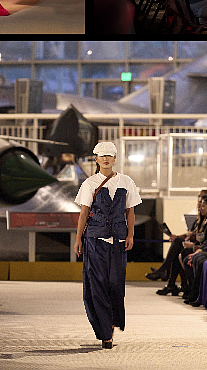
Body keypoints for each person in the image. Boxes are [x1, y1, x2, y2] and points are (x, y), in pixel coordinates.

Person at [74, 142, 141, 349]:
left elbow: (130, 211)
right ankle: (105, 333)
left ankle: (111, 321)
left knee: (116, 284)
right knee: (97, 286)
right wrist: (78, 239)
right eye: (102, 156)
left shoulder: (126, 181)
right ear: (96, 158)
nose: (105, 159)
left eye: (109, 156)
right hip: (95, 241)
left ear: (114, 158)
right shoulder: (89, 183)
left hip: (118, 242)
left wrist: (130, 235)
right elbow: (84, 213)